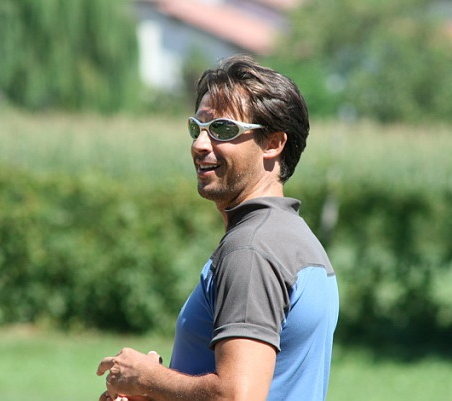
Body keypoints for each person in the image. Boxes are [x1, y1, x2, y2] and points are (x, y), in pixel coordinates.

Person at [96, 54, 339, 401]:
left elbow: (238, 395)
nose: (199, 144)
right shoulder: (297, 240)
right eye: (197, 128)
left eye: (223, 129)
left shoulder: (251, 250)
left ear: (273, 143)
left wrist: (146, 378)